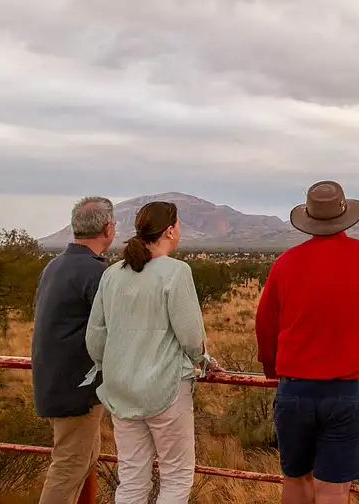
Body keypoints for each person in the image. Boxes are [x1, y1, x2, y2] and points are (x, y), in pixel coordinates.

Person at [256, 180, 359, 504]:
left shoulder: (285, 263)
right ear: (345, 216)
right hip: (349, 392)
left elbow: (265, 325)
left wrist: (273, 371)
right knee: (333, 490)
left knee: (296, 482)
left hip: (295, 390)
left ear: (309, 218)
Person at [86, 201, 221, 504]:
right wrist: (203, 361)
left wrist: (108, 366)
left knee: (132, 478)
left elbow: (95, 337)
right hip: (165, 388)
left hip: (121, 389)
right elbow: (190, 336)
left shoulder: (112, 275)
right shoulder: (176, 272)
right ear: (170, 230)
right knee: (176, 477)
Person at [31, 197, 116, 504]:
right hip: (77, 388)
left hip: (52, 379)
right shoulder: (96, 273)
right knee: (69, 466)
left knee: (85, 456)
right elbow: (113, 329)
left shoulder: (55, 266)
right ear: (108, 229)